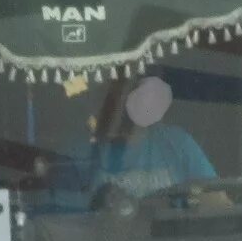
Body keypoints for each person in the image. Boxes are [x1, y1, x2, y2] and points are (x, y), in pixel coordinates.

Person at [88, 74, 218, 205]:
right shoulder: (86, 151)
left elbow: (217, 201)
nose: (118, 105)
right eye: (111, 99)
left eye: (126, 94)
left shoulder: (177, 143)